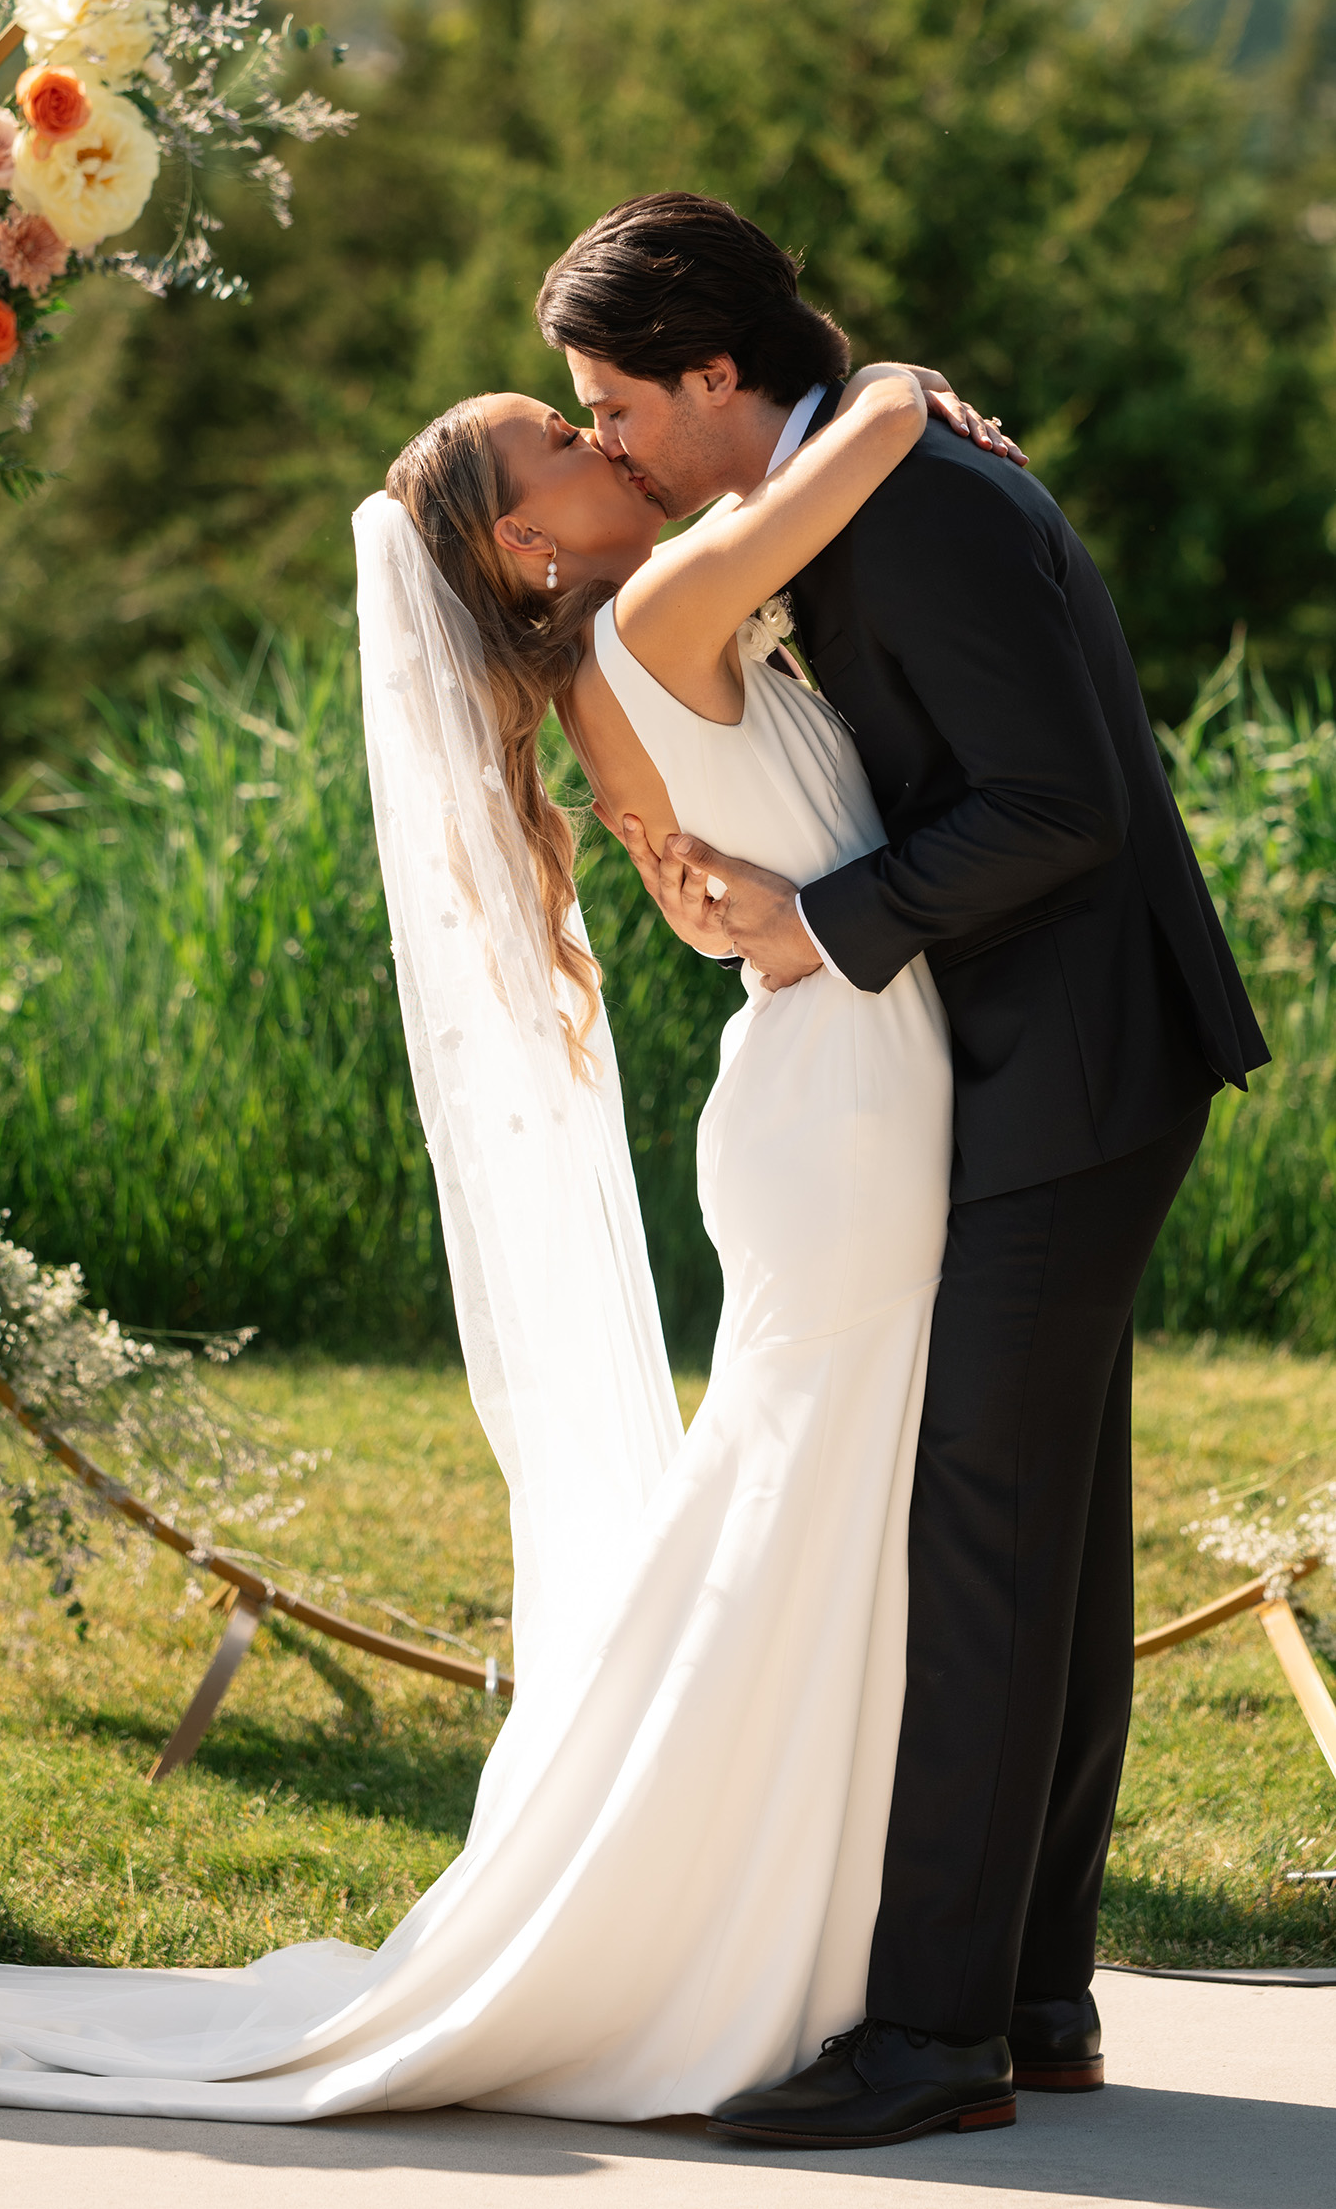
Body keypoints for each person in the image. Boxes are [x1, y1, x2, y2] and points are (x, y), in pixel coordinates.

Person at [0, 354, 1019, 2132]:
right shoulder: (669, 614)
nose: (596, 440)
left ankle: (788, 1918)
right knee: (817, 1513)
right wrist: (890, 382)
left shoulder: (629, 638)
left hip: (832, 1092)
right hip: (846, 1115)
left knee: (822, 1517)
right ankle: (728, 1928)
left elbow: (727, 861)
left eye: (580, 415)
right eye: (558, 440)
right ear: (520, 550)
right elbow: (853, 445)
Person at [534, 191, 1268, 2146]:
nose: (594, 431)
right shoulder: (874, 464)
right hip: (1041, 1054)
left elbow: (1058, 803)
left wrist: (821, 920)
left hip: (1060, 1062)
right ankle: (1032, 1992)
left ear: (716, 378)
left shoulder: (919, 496)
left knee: (987, 1537)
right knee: (1055, 1532)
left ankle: (938, 2033)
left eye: (610, 398)